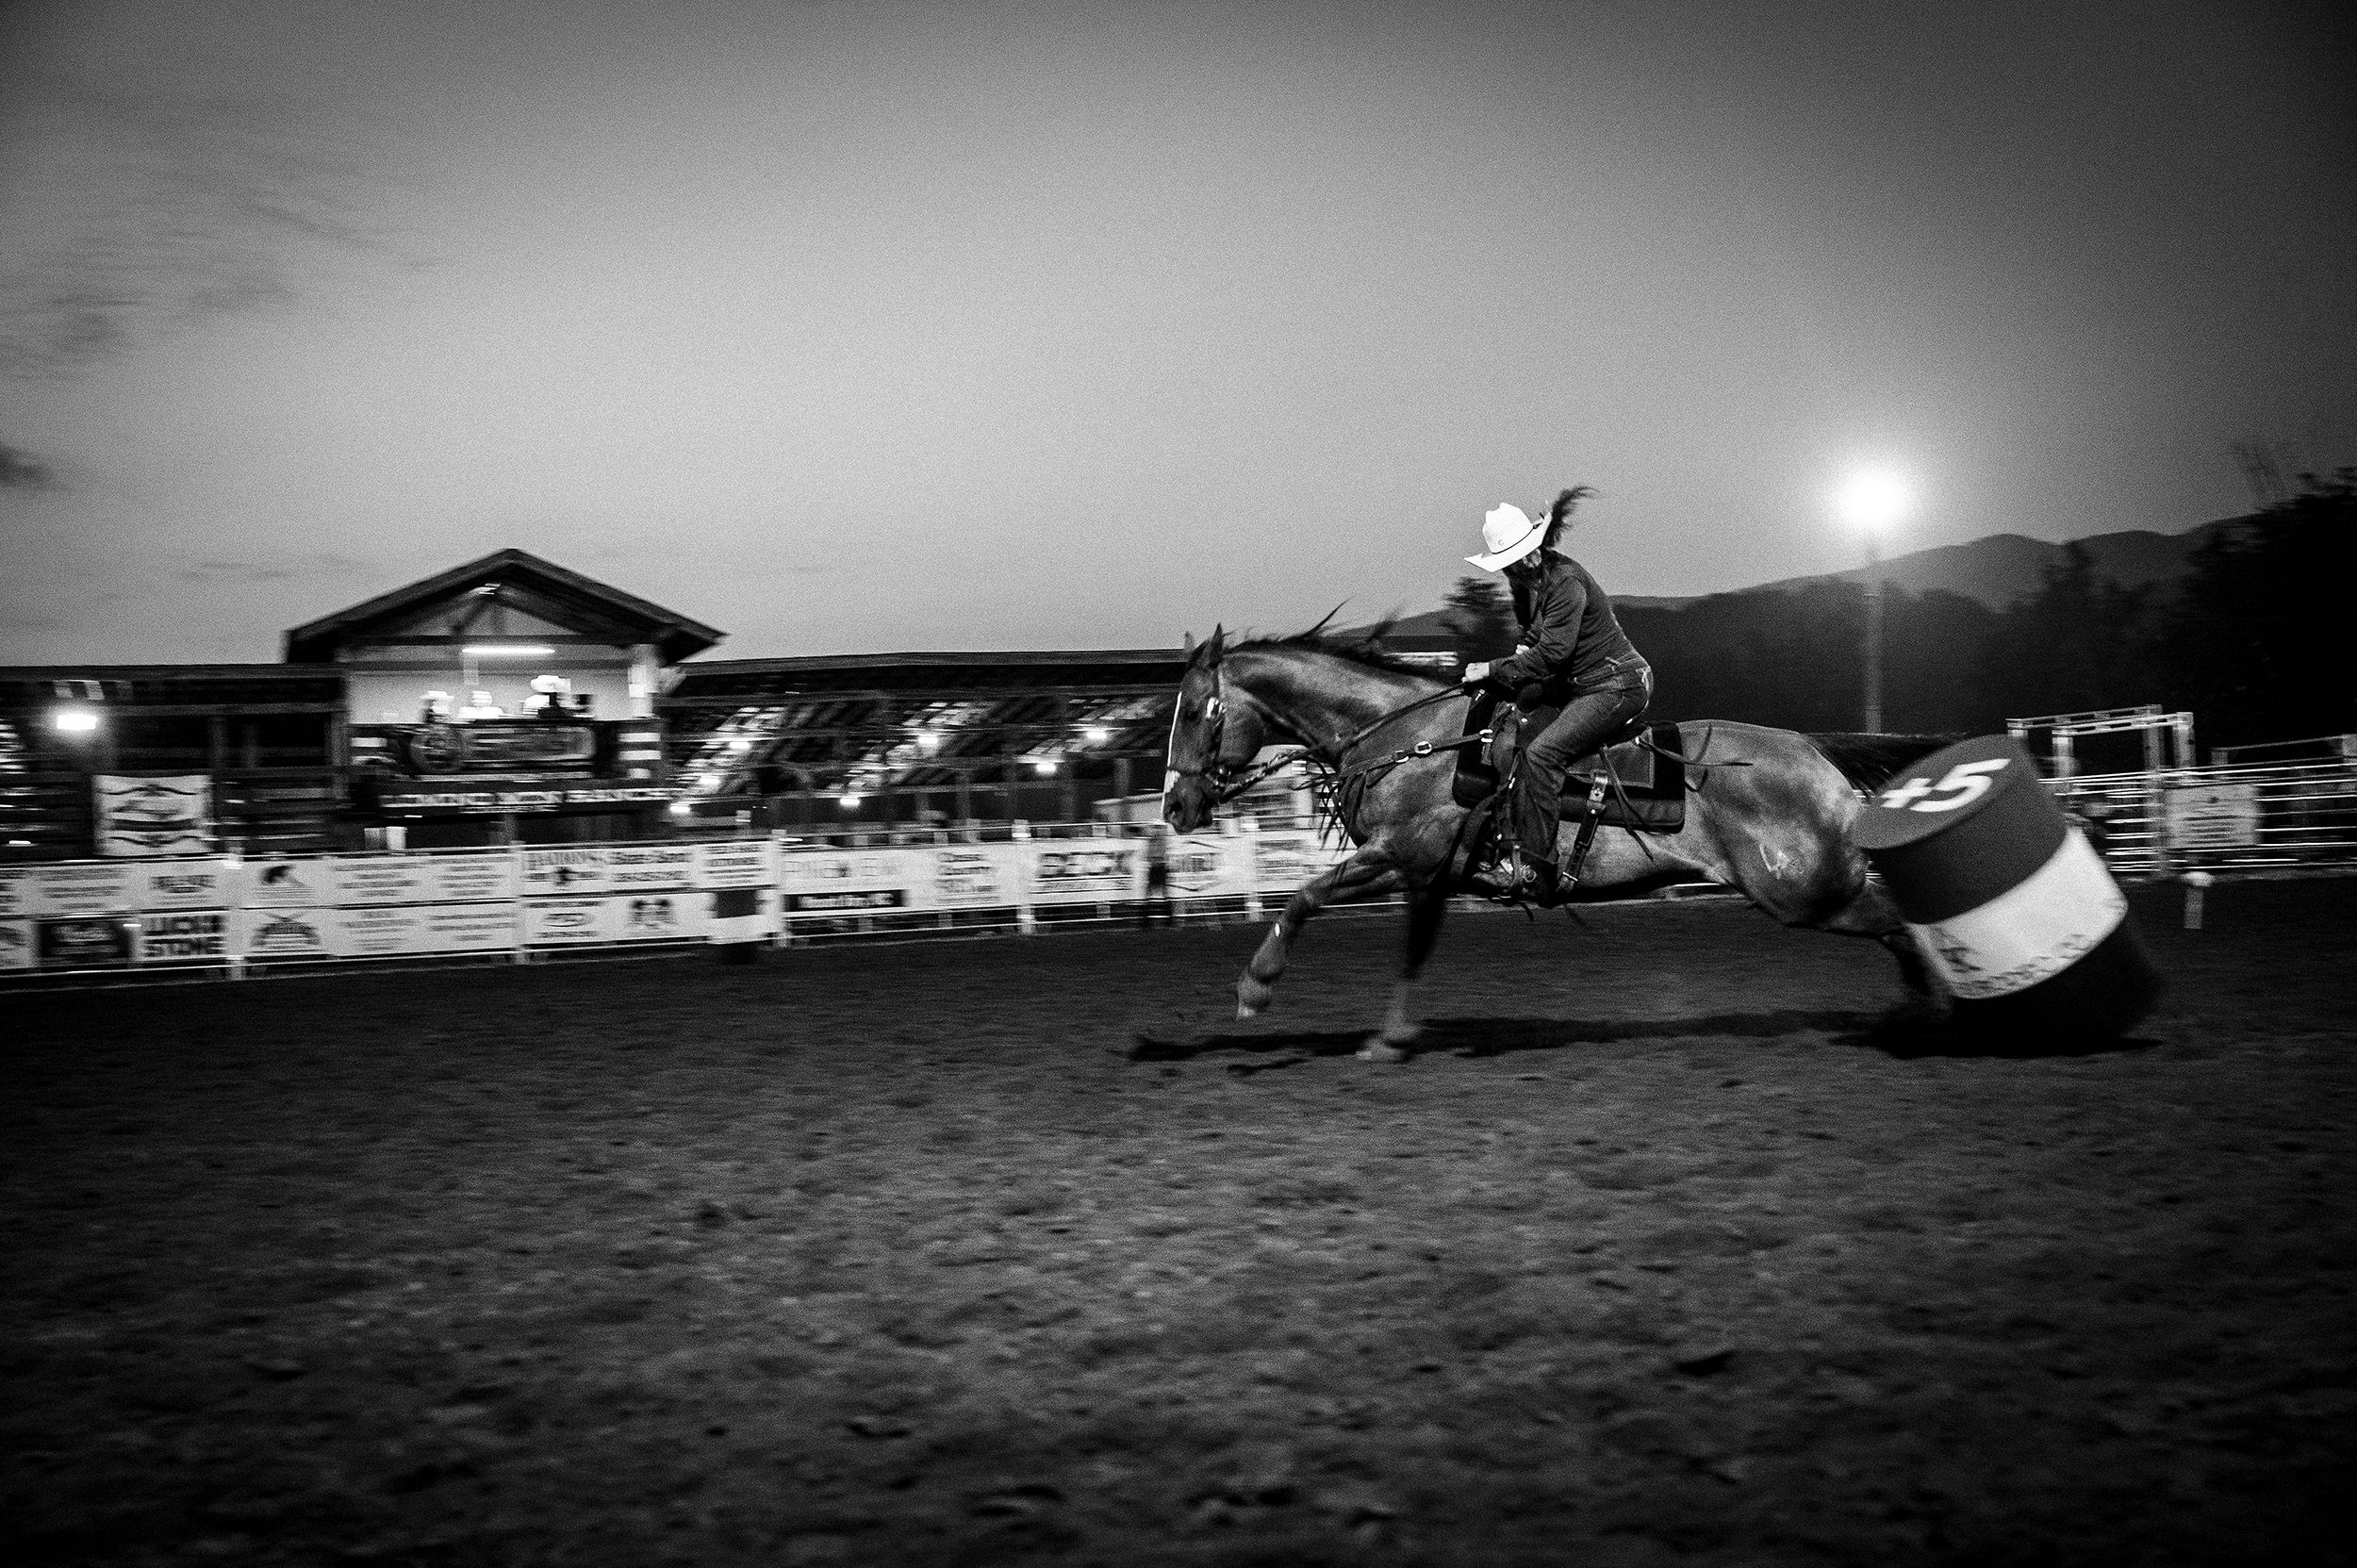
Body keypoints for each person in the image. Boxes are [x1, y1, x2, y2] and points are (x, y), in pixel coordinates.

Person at [1459, 487, 1653, 902]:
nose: (1510, 573)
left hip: (1617, 686)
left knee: (1543, 754)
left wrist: (1491, 669)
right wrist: (1517, 655)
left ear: (1530, 554)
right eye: (1505, 567)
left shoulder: (1565, 583)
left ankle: (1534, 865)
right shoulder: (1544, 582)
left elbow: (1554, 653)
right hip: (1589, 685)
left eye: (1511, 564)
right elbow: (1537, 639)